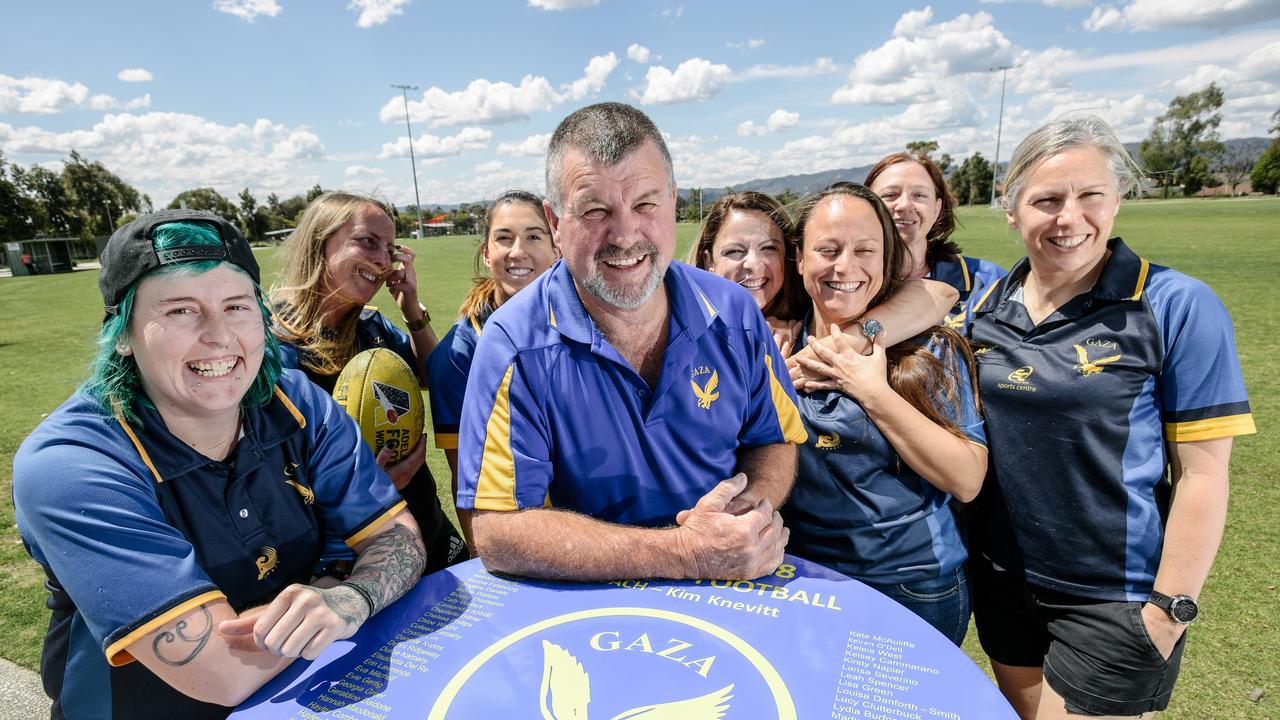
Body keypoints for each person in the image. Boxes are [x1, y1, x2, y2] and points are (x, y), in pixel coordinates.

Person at [12, 211, 426, 718]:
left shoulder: (296, 402)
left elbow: (398, 537)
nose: (218, 335)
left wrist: (355, 596)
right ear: (122, 334)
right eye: (181, 310)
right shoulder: (73, 464)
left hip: (294, 698)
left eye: (236, 306)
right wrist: (335, 586)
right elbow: (218, 670)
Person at [961, 117, 1256, 718]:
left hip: (1112, 600)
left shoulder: (1175, 304)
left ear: (1116, 200)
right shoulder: (986, 308)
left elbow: (1204, 476)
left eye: (1089, 195)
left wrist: (1169, 610)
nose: (1069, 218)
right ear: (1013, 211)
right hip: (1002, 582)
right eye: (1046, 200)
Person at [781, 184, 987, 645]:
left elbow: (968, 479)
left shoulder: (928, 349)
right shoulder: (778, 344)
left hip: (911, 586)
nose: (845, 267)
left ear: (887, 258)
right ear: (798, 257)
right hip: (801, 582)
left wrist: (871, 390)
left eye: (864, 250)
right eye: (827, 250)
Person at [272, 191, 465, 574]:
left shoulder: (373, 327)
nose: (382, 259)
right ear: (319, 243)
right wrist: (364, 487)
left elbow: (434, 377)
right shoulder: (272, 349)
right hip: (350, 550)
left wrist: (411, 306)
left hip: (423, 520)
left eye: (389, 249)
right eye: (367, 242)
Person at [428, 190, 559, 551]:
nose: (518, 251)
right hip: (526, 534)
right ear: (486, 253)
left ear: (556, 246)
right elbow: (465, 481)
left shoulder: (587, 319)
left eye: (534, 236)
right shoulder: (459, 354)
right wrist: (485, 560)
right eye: (504, 237)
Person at [865, 152, 1006, 320]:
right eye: (890, 195)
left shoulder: (991, 282)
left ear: (936, 209)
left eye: (919, 195)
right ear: (866, 206)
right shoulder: (848, 284)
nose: (904, 205)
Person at [684, 191, 806, 334]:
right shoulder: (683, 329)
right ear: (709, 261)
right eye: (735, 251)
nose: (753, 264)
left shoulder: (809, 327)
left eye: (768, 248)